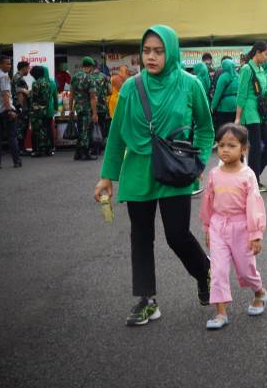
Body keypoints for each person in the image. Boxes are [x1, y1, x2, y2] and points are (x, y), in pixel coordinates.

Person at [94, 25, 213, 327]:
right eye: (146, 50)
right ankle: (146, 300)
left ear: (171, 52)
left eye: (158, 51)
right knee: (141, 236)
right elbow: (117, 135)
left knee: (177, 235)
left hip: (174, 169)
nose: (151, 56)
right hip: (137, 170)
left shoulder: (190, 84)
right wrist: (107, 176)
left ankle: (204, 272)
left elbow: (205, 128)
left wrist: (198, 163)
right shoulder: (132, 88)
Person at [199, 123, 267, 329]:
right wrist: (207, 228)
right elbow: (208, 202)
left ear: (244, 149)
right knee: (218, 269)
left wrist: (255, 233)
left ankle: (259, 292)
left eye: (231, 145)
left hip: (242, 227)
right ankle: (221, 313)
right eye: (221, 145)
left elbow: (254, 205)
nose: (225, 150)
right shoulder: (214, 174)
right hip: (218, 225)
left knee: (247, 269)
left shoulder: (247, 175)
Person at [235, 41, 267, 192]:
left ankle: (253, 177)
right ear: (257, 52)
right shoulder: (246, 69)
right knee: (255, 148)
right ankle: (254, 181)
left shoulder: (261, 69)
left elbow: (261, 92)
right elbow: (241, 94)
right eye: (266, 54)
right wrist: (238, 117)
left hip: (260, 112)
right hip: (250, 113)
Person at [0, 57, 21, 169]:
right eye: (7, 64)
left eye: (10, 64)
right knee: (12, 137)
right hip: (5, 110)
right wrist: (10, 110)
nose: (9, 66)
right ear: (0, 64)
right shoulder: (4, 76)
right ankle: (17, 161)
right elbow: (5, 94)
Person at [69, 57, 99, 161]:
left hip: (78, 108)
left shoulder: (75, 77)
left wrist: (71, 110)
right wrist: (95, 113)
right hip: (87, 109)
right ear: (91, 67)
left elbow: (71, 95)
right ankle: (85, 153)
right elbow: (92, 98)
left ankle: (77, 153)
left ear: (82, 66)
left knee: (81, 129)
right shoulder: (90, 78)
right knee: (85, 130)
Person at [28, 66, 52, 157]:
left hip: (36, 110)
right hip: (45, 109)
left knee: (38, 131)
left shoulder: (36, 83)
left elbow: (33, 97)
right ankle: (48, 149)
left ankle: (40, 150)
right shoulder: (48, 83)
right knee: (45, 129)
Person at [211, 58, 239, 132]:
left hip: (224, 107)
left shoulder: (224, 76)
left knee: (223, 129)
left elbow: (218, 93)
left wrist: (213, 107)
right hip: (237, 106)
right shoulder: (238, 76)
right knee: (234, 129)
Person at [91, 67, 112, 155]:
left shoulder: (89, 77)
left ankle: (94, 147)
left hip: (92, 106)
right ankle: (101, 147)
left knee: (93, 127)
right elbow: (110, 91)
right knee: (102, 126)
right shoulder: (104, 77)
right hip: (102, 106)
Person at [12, 61, 30, 152]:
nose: (29, 70)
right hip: (20, 107)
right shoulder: (19, 79)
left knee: (20, 127)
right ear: (24, 68)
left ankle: (20, 148)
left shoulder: (16, 77)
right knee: (21, 128)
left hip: (17, 107)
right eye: (28, 68)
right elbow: (20, 95)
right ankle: (20, 149)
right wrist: (22, 108)